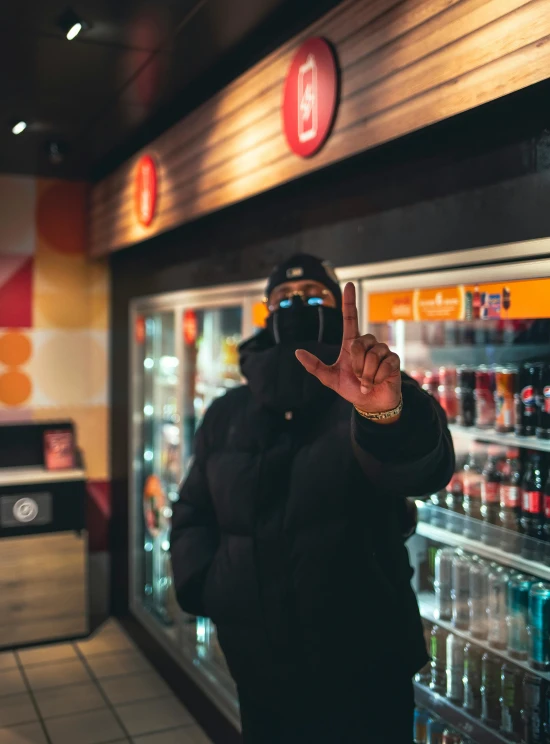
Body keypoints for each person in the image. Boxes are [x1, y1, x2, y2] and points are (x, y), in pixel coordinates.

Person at [170, 254, 454, 743]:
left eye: (315, 295)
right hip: (257, 668)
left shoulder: (368, 395)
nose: (298, 304)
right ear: (266, 314)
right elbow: (194, 509)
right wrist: (208, 585)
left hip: (366, 671)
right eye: (284, 298)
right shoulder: (227, 412)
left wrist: (385, 415)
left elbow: (423, 468)